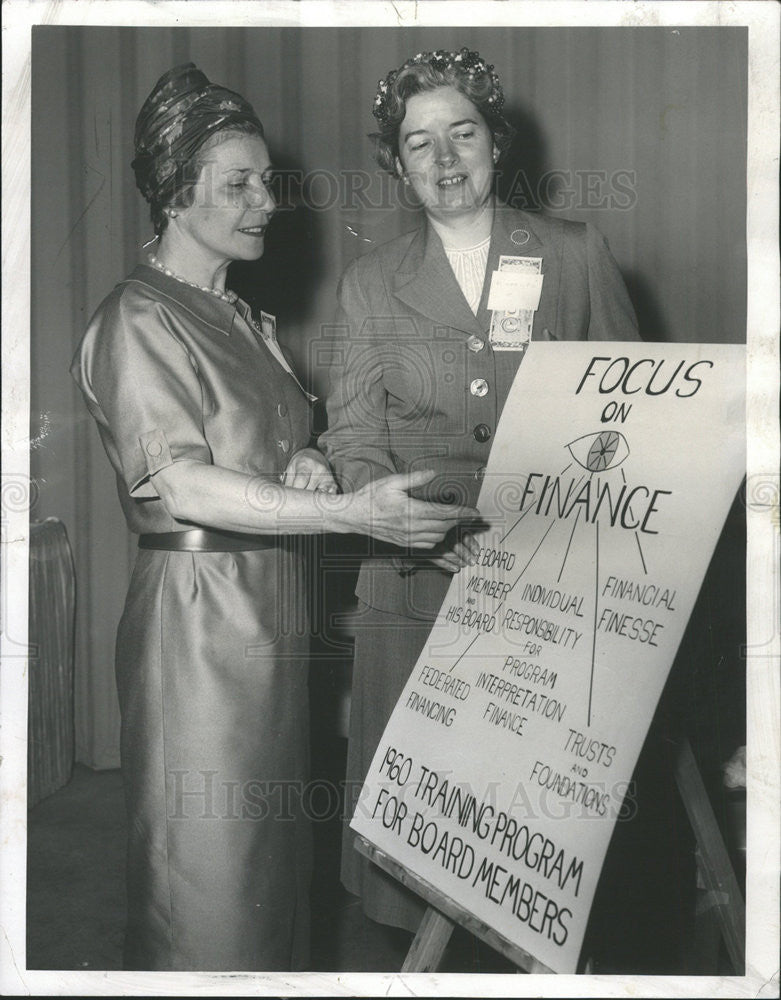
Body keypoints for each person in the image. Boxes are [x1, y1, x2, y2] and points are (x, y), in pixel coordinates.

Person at [70, 63, 474, 972]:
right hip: (200, 620)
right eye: (238, 184)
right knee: (206, 877)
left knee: (265, 865)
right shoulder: (138, 315)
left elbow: (280, 447)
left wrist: (311, 459)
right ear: (176, 194)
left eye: (266, 181)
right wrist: (341, 512)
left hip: (269, 609)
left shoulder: (241, 316)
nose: (266, 202)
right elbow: (182, 485)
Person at [320, 48, 640, 941]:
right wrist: (408, 525)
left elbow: (635, 415)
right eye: (419, 144)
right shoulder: (368, 283)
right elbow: (351, 439)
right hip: (412, 588)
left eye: (461, 133)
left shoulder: (575, 255)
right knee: (412, 871)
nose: (444, 158)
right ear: (397, 163)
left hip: (549, 597)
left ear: (495, 142)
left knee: (538, 860)